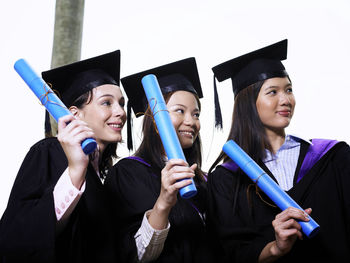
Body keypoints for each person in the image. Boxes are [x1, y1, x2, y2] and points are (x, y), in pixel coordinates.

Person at [207, 39, 350, 263]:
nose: (286, 100)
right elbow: (230, 253)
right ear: (248, 103)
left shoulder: (332, 157)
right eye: (272, 92)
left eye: (289, 90)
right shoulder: (226, 178)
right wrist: (274, 248)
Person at [0, 50, 126, 262]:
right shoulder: (49, 152)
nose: (121, 112)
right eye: (107, 102)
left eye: (121, 103)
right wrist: (75, 171)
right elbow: (20, 237)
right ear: (74, 114)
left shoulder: (105, 175)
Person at [105, 57, 215, 262]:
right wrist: (164, 202)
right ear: (155, 120)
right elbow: (134, 255)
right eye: (180, 111)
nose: (191, 122)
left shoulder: (207, 180)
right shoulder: (129, 174)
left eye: (196, 113)